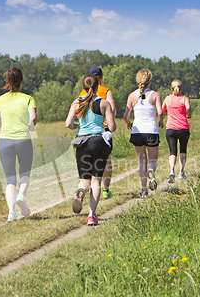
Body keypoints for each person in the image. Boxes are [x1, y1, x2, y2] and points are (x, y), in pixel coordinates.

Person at [66, 74, 116, 225]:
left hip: (82, 142)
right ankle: (91, 215)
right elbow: (112, 127)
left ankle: (81, 192)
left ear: (83, 87)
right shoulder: (104, 102)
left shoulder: (77, 102)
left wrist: (79, 126)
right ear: (96, 87)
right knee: (96, 180)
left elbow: (68, 123)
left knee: (84, 179)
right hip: (98, 141)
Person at [0, 67, 37, 222]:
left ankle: (11, 213)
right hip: (23, 139)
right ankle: (21, 196)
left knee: (10, 178)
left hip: (5, 141)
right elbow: (33, 117)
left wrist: (2, 127)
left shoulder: (0, 100)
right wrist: (30, 126)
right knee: (25, 173)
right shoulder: (28, 98)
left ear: (7, 82)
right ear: (22, 81)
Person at [124, 69, 163, 197]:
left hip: (137, 131)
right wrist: (161, 122)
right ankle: (151, 171)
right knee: (153, 160)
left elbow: (126, 115)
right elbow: (160, 112)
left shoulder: (132, 96)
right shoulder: (155, 95)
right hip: (151, 130)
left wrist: (129, 123)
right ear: (150, 81)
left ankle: (144, 190)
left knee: (142, 161)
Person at [79, 66, 116, 199]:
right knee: (106, 161)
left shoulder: (82, 93)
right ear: (101, 78)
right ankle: (105, 189)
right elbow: (112, 109)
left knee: (86, 162)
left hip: (84, 132)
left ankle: (84, 185)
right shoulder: (106, 91)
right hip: (103, 130)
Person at [162, 79, 191, 183]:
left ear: (171, 88)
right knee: (183, 150)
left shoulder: (167, 99)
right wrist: (189, 114)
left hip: (170, 129)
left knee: (172, 151)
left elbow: (162, 110)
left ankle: (171, 171)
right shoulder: (184, 99)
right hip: (183, 128)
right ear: (182, 88)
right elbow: (188, 108)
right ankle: (181, 172)